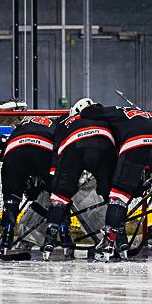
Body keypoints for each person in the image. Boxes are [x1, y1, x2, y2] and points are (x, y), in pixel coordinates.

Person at [79, 101, 152, 262]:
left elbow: (89, 112)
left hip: (137, 144)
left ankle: (108, 243)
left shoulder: (121, 111)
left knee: (119, 197)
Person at [41, 99, 116, 260]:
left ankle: (49, 241)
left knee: (60, 196)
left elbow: (57, 146)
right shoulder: (103, 117)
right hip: (103, 144)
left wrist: (54, 173)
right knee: (114, 194)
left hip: (74, 146)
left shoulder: (65, 120)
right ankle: (118, 238)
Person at [0, 115, 56, 253]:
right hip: (44, 148)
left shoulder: (22, 125)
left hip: (15, 148)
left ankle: (7, 238)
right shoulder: (56, 124)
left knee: (11, 197)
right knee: (59, 196)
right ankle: (63, 239)